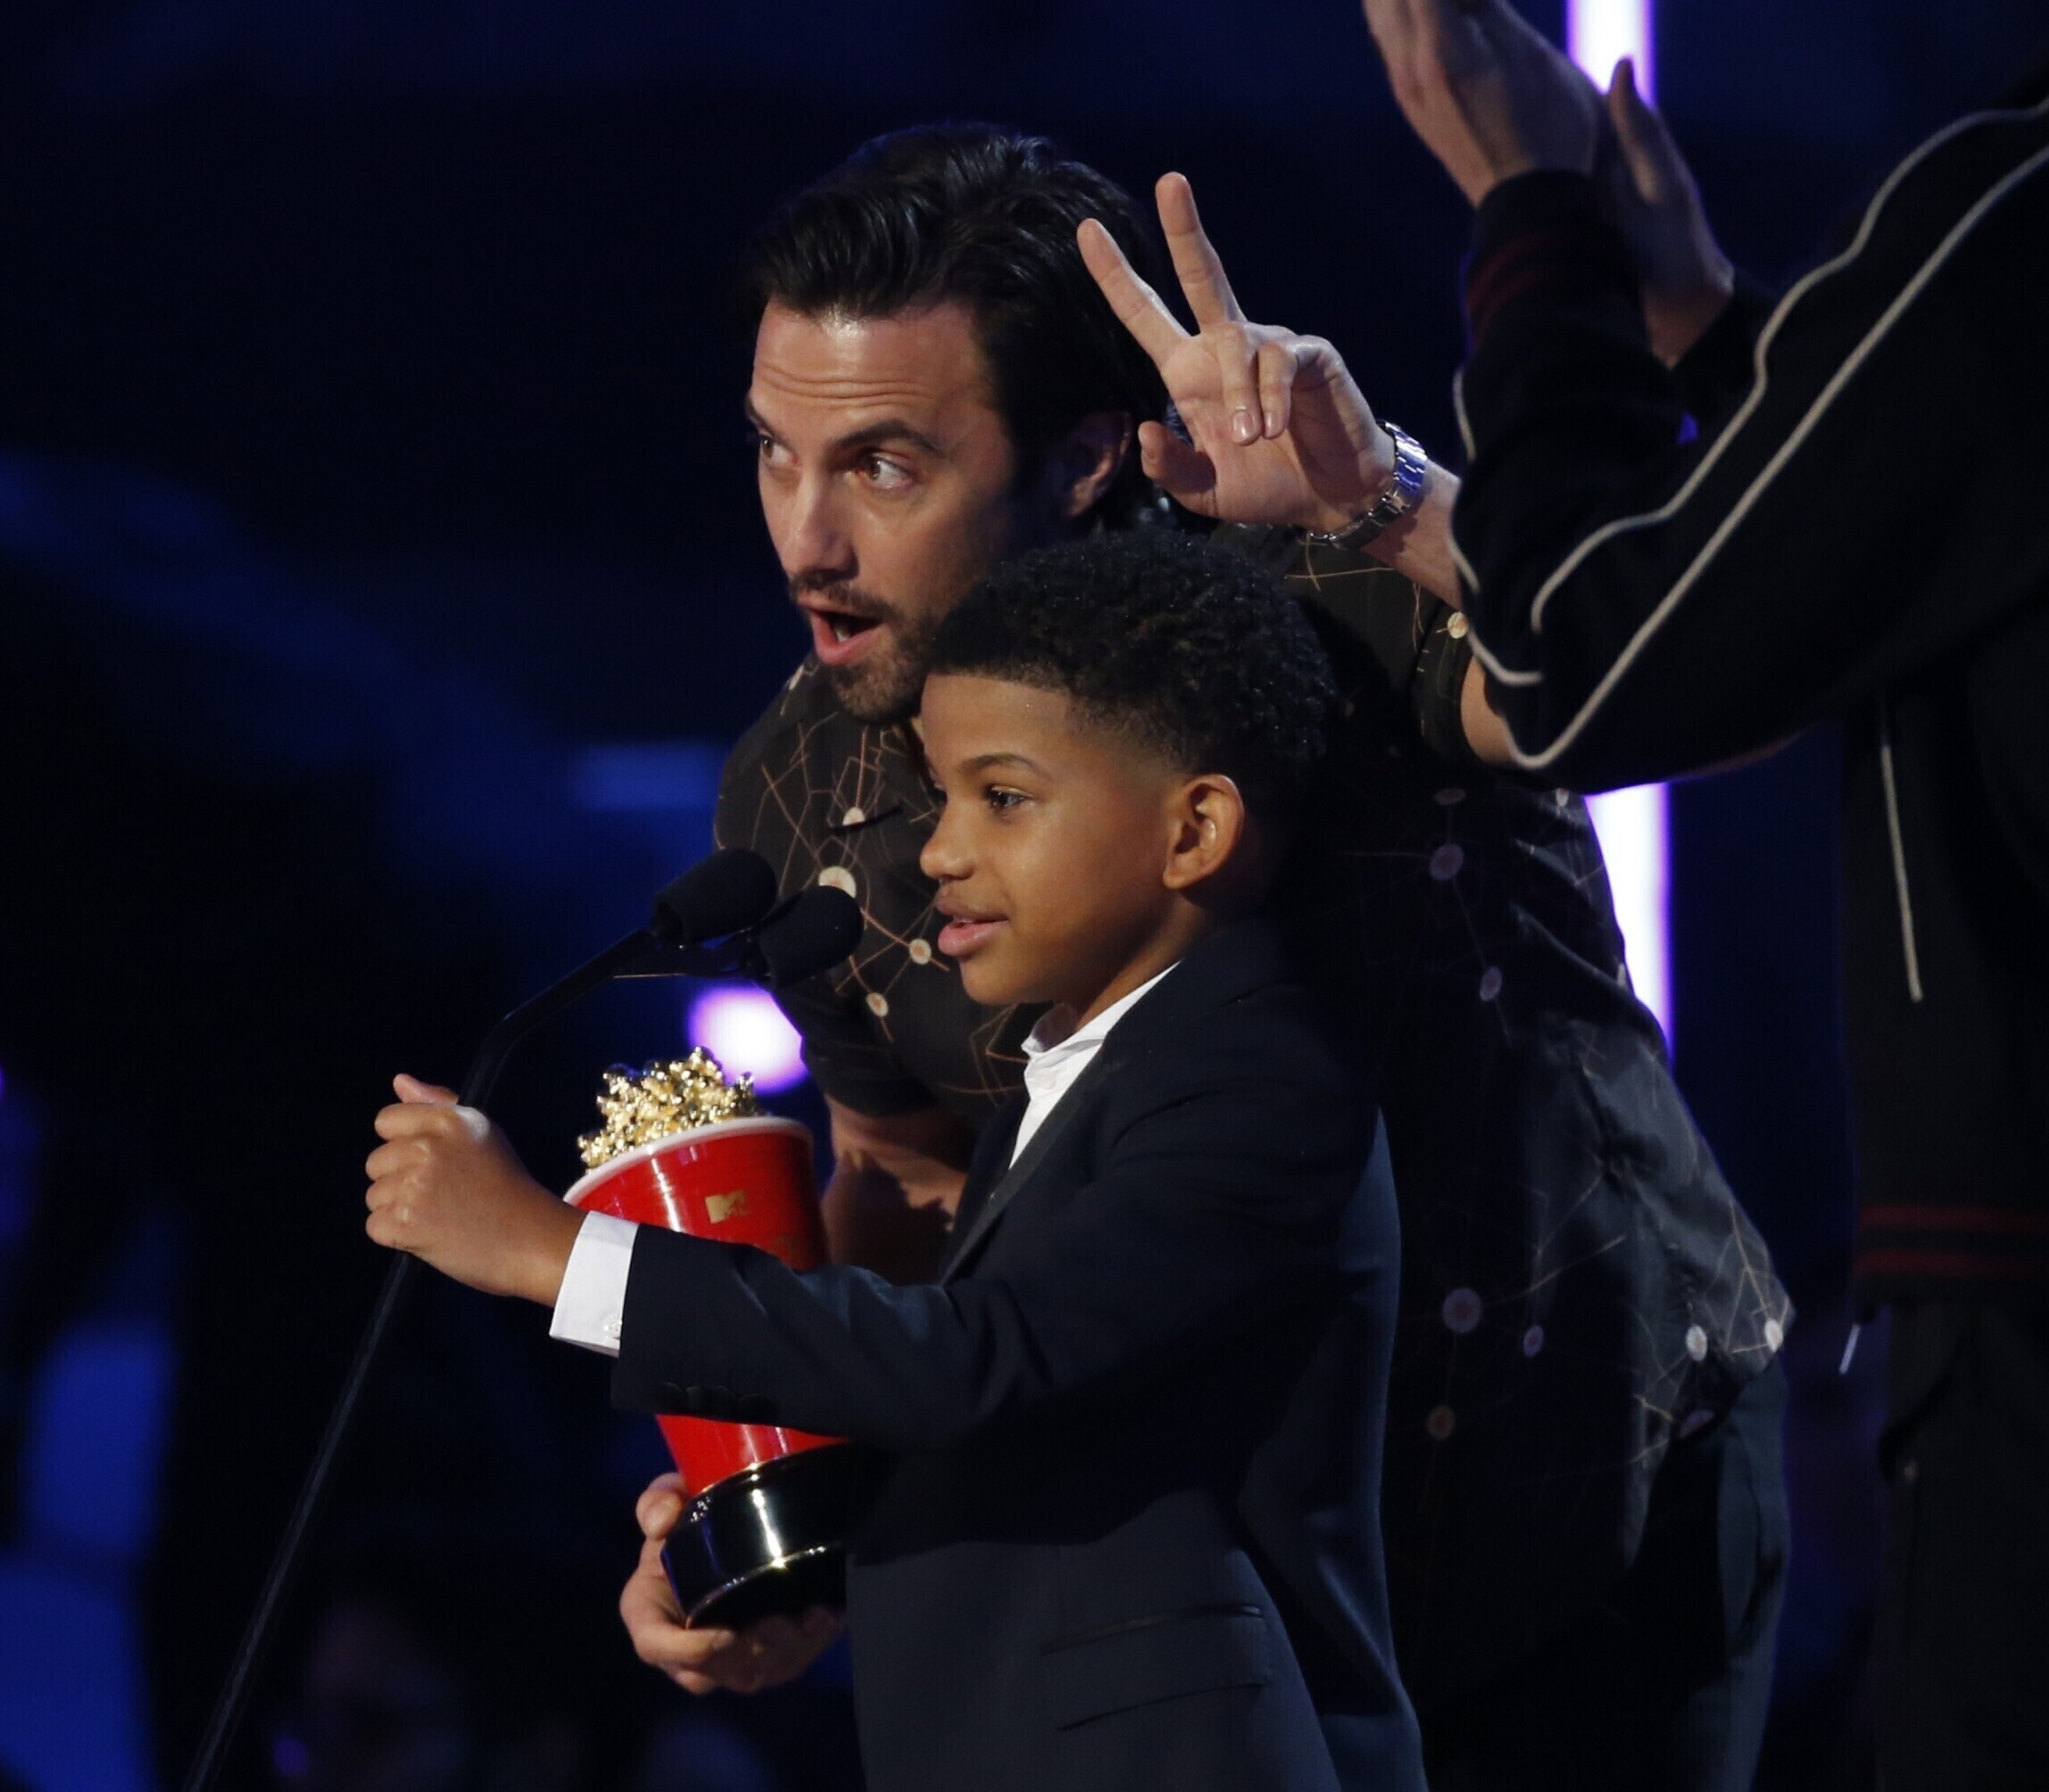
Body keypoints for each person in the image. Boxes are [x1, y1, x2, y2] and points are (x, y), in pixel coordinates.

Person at [647, 125, 1789, 1788]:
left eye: (884, 467)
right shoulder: (800, 790)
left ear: (1083, 454)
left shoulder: (1328, 575)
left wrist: (1390, 499)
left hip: (1593, 1472)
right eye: (774, 454)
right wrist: (789, 1500)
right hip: (1235, 1591)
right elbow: (907, 1175)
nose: (805, 539)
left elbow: (1717, 687)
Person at [362, 527, 1425, 1791]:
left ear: (1194, 828)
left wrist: (555, 1253)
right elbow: (1055, 1430)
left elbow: (989, 1359)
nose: (938, 852)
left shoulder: (1260, 1071)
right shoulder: (1078, 1083)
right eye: (939, 795)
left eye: (1003, 797)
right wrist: (776, 1549)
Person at [1356, 5, 2049, 1783]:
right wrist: (1715, 334)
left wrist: (1534, 219)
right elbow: (1904, 537)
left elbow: (1583, 660)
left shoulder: (2013, 213)